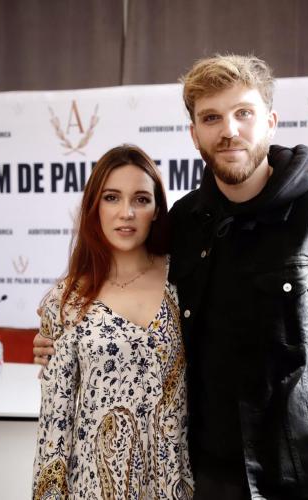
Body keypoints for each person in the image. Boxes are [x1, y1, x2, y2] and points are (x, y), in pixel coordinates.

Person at [35, 54, 308, 500]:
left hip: (306, 480)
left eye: (243, 113)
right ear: (194, 134)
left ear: (270, 122)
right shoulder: (185, 221)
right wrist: (65, 336)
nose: (229, 130)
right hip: (206, 478)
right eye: (212, 118)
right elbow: (135, 300)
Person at [32, 145, 193, 499]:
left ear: (157, 209)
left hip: (177, 485)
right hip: (93, 488)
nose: (126, 213)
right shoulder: (66, 300)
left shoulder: (186, 281)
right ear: (95, 206)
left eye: (141, 199)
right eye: (112, 198)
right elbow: (54, 424)